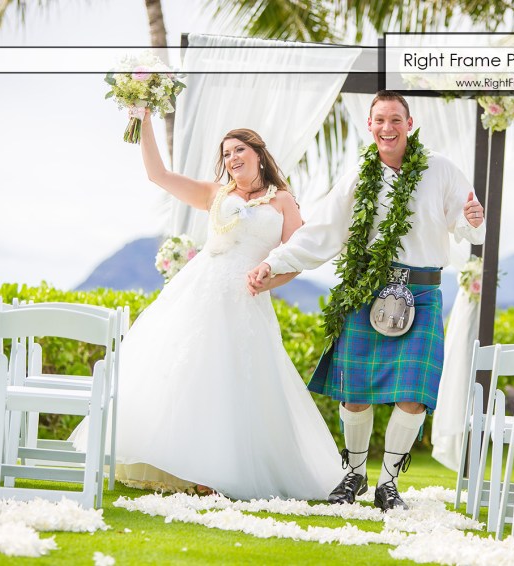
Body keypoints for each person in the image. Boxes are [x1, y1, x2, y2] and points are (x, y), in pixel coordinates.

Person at [71, 110, 344, 500]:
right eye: (227, 153)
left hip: (247, 300)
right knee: (186, 372)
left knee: (236, 381)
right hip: (201, 290)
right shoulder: (216, 195)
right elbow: (159, 176)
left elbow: (295, 260)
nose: (232, 158)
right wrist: (144, 120)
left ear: (258, 154)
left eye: (239, 150)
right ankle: (182, 466)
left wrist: (267, 281)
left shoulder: (283, 201)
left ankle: (223, 471)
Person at [247, 91, 486, 511]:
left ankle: (389, 483)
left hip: (423, 293)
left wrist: (474, 225)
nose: (387, 128)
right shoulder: (360, 176)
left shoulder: (441, 170)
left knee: (414, 393)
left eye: (395, 119)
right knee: (354, 391)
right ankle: (354, 475)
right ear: (369, 125)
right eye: (379, 120)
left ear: (410, 124)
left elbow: (468, 226)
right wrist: (274, 261)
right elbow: (323, 231)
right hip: (367, 289)